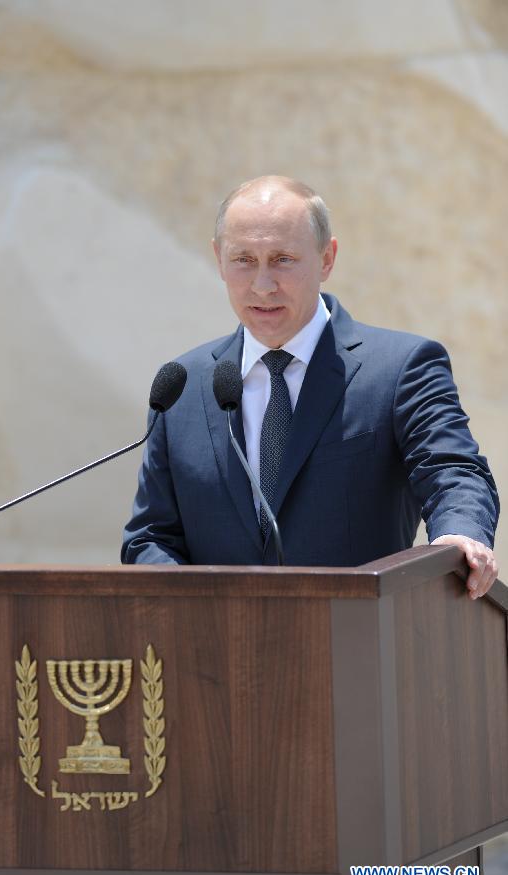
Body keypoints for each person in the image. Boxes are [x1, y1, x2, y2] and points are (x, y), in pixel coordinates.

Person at [122, 176, 499, 599]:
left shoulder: (400, 368)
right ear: (218, 259)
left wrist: (458, 536)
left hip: (358, 644)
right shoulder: (182, 387)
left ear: (326, 258)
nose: (262, 285)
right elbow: (151, 538)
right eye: (243, 259)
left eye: (282, 259)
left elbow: (454, 473)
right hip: (216, 651)